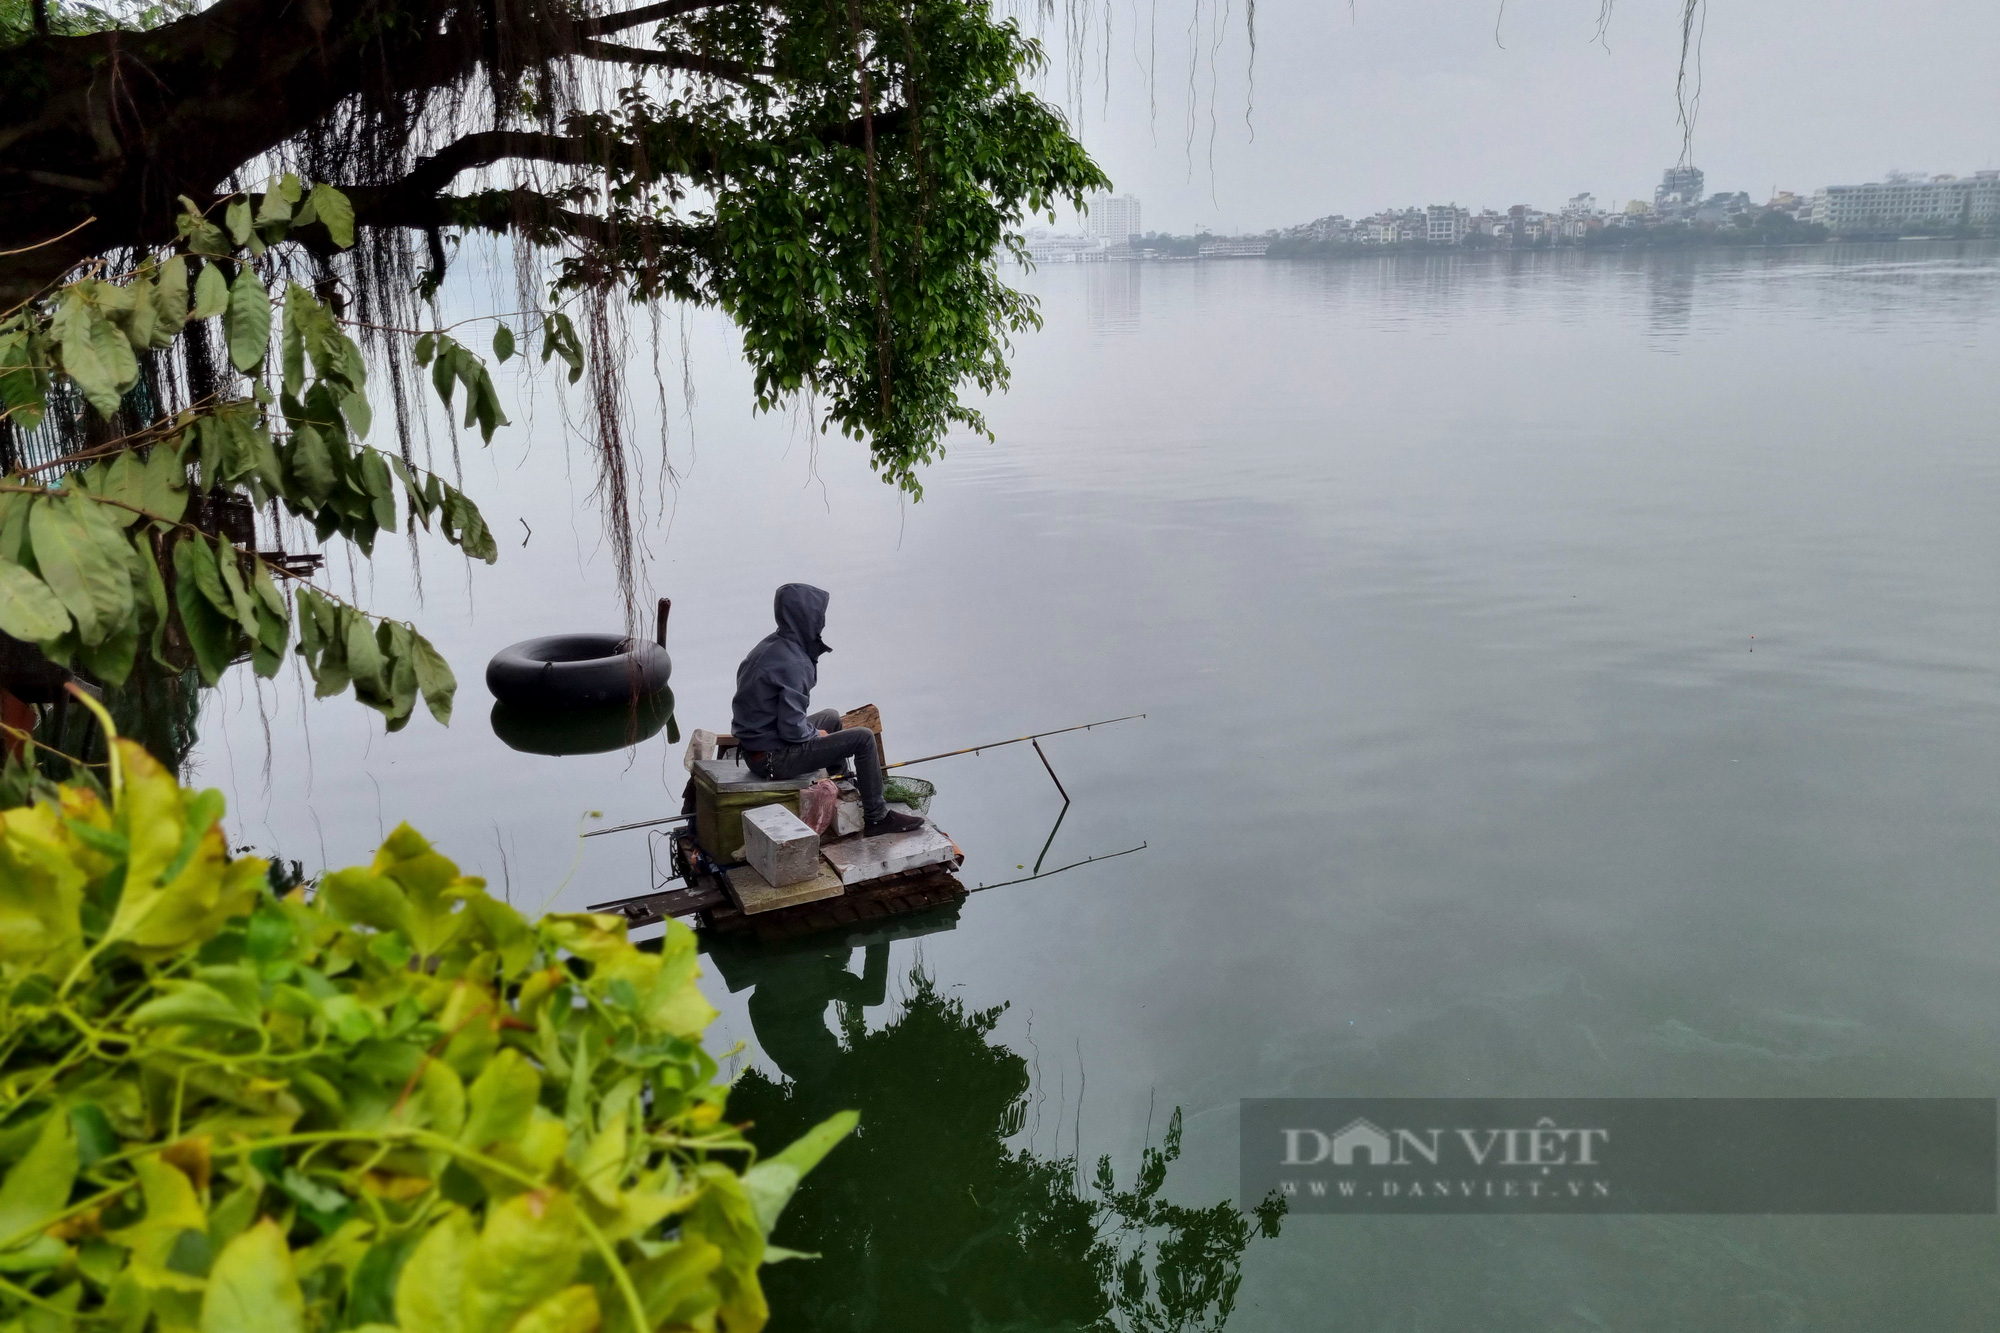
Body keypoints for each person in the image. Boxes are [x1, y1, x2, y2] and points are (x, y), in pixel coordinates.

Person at [731, 583, 925, 836]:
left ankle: (843, 785)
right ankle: (877, 817)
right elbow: (792, 730)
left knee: (831, 717)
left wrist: (815, 732)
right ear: (807, 617)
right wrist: (814, 735)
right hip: (771, 760)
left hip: (758, 746)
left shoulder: (772, 645)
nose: (822, 622)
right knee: (863, 738)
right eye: (818, 616)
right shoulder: (794, 662)